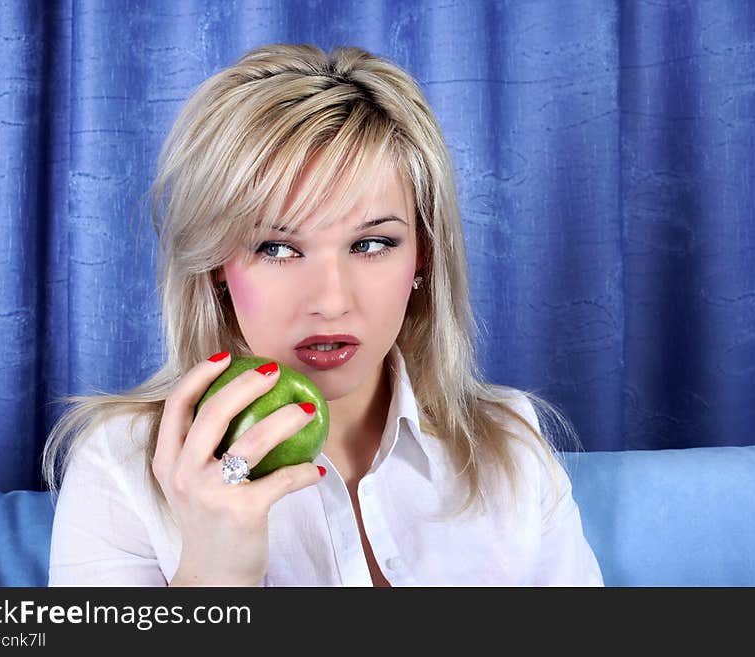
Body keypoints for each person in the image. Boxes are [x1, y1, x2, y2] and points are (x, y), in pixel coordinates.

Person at [43, 44, 603, 586]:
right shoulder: (119, 466)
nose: (331, 301)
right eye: (277, 248)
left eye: (372, 244)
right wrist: (214, 577)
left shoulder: (512, 447)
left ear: (423, 254)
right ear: (217, 263)